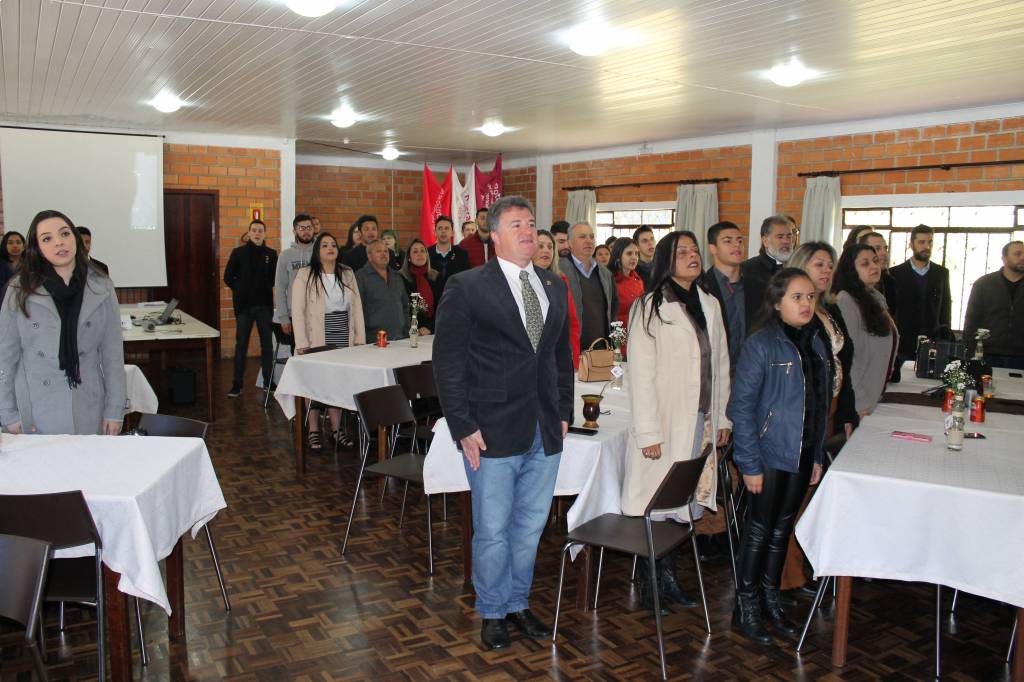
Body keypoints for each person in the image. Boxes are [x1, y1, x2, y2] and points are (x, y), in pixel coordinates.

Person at [433, 195, 572, 651]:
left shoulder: (553, 284)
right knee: (493, 529)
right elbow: (447, 361)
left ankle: (517, 602)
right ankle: (492, 610)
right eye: (516, 225)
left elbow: (560, 356)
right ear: (493, 236)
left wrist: (564, 411)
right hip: (490, 428)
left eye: (531, 224)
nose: (528, 231)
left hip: (544, 427)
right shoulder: (467, 285)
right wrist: (461, 424)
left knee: (530, 526)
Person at [622, 230, 732, 612]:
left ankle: (669, 576)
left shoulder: (709, 304)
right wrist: (648, 432)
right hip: (664, 420)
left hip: (699, 418)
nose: (691, 256)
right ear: (667, 260)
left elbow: (721, 365)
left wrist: (722, 416)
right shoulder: (649, 307)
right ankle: (650, 580)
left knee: (682, 501)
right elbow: (640, 375)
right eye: (682, 251)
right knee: (657, 501)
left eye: (694, 250)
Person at [727, 268, 830, 645]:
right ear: (776, 302)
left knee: (781, 530)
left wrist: (816, 454)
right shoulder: (762, 344)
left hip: (801, 452)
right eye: (797, 297)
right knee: (758, 531)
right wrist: (749, 464)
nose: (806, 304)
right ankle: (746, 607)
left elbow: (818, 404)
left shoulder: (815, 341)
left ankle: (771, 600)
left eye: (810, 297)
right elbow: (741, 408)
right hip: (768, 454)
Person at [0, 210, 126, 436]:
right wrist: (7, 413)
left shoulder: (101, 286)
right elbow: (5, 355)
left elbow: (113, 355)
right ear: (37, 248)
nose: (59, 242)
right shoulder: (19, 289)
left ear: (75, 239)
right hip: (35, 407)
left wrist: (114, 410)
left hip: (89, 404)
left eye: (64, 233)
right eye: (47, 238)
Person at [291, 232, 365, 451]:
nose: (330, 248)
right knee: (314, 383)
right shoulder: (305, 274)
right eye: (324, 245)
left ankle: (336, 429)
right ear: (317, 251)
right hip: (316, 335)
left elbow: (357, 307)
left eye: (333, 244)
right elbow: (297, 310)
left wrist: (359, 339)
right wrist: (302, 343)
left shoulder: (347, 273)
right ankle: (313, 430)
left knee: (337, 382)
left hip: (342, 332)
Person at [834, 244, 898, 417]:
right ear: (851, 269)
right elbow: (849, 357)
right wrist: (860, 401)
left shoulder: (876, 297)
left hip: (875, 393)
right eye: (865, 263)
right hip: (859, 400)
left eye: (875, 261)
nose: (874, 266)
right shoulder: (846, 300)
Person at [224, 219, 278, 398]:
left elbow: (274, 279)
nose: (257, 233)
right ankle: (237, 384)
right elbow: (228, 277)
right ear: (248, 233)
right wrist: (240, 290)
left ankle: (268, 382)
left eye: (260, 230)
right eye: (254, 230)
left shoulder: (271, 254)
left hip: (264, 307)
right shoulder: (238, 253)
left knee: (267, 346)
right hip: (244, 307)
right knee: (241, 345)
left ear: (265, 233)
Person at [889, 224, 951, 371]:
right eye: (921, 242)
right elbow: (891, 310)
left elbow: (946, 308)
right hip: (903, 344)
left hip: (933, 343)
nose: (926, 247)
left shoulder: (941, 273)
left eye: (930, 242)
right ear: (911, 245)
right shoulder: (895, 273)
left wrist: (944, 339)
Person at [962, 240, 1024, 369]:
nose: (1022, 257)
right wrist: (971, 353)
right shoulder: (984, 284)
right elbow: (971, 321)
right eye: (1017, 254)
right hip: (988, 354)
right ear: (1004, 258)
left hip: (1021, 356)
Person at [559, 222, 619, 352]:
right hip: (571, 350)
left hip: (602, 349)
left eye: (591, 237)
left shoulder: (605, 274)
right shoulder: (559, 271)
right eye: (582, 237)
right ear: (569, 243)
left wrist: (615, 345)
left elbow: (613, 311)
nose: (588, 241)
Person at [704, 221, 758, 365]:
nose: (736, 245)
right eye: (728, 241)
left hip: (751, 367)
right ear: (713, 248)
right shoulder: (702, 287)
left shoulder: (758, 286)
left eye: (739, 241)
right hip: (715, 366)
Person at [533, 229, 580, 368]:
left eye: (550, 247)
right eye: (540, 246)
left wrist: (574, 358)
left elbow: (571, 321)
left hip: (557, 356)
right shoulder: (520, 280)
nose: (546, 250)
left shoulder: (561, 281)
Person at [741, 216, 795, 317]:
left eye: (789, 236)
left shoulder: (797, 269)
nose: (786, 241)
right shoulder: (747, 270)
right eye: (780, 237)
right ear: (765, 241)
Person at [356, 239, 409, 340]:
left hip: (400, 338)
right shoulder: (360, 277)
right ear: (369, 256)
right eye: (378, 251)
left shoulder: (397, 276)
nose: (384, 254)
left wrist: (407, 330)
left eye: (386, 251)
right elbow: (357, 311)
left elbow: (405, 306)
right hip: (373, 340)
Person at [273, 214, 316, 337]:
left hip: (319, 313)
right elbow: (280, 288)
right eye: (302, 228)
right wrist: (283, 317)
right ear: (294, 231)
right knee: (298, 348)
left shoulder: (321, 252)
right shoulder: (285, 256)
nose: (306, 231)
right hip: (295, 314)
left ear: (313, 229)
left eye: (309, 227)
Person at [608, 237, 644, 359]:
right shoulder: (610, 280)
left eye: (636, 254)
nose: (634, 257)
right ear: (618, 256)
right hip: (617, 338)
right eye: (629, 254)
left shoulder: (638, 280)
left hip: (637, 337)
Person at [400, 238, 441, 334]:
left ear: (427, 255)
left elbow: (442, 307)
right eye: (415, 252)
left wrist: (430, 328)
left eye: (422, 251)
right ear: (409, 257)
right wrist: (412, 329)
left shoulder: (436, 276)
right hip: (408, 331)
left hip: (433, 330)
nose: (420, 254)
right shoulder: (401, 278)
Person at [859, 231, 899, 323]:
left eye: (885, 248)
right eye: (877, 248)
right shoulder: (851, 284)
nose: (884, 253)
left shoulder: (890, 282)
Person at [428, 215, 469, 295]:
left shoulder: (462, 255)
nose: (443, 231)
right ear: (435, 232)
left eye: (447, 228)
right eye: (440, 228)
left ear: (452, 233)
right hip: (432, 300)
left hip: (455, 299)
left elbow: (466, 281)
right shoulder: (427, 254)